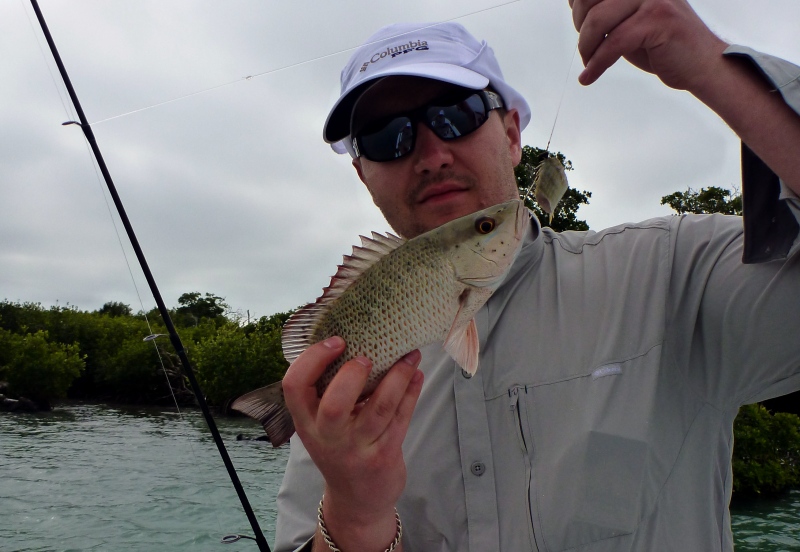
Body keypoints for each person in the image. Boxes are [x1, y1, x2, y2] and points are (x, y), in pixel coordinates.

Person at [274, 0, 800, 550]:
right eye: (386, 137)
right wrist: (355, 518)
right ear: (364, 175)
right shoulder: (335, 390)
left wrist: (713, 66)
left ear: (511, 135)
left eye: (457, 114)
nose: (431, 154)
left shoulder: (674, 271)